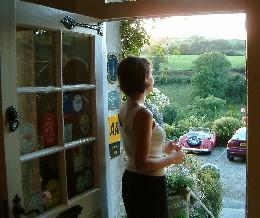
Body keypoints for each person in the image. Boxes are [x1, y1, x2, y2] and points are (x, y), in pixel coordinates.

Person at [117, 56, 185, 218]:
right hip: (147, 185)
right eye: (151, 73)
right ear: (144, 79)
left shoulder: (125, 108)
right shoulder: (143, 114)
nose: (153, 78)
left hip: (133, 181)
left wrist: (164, 148)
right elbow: (142, 163)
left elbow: (137, 148)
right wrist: (173, 159)